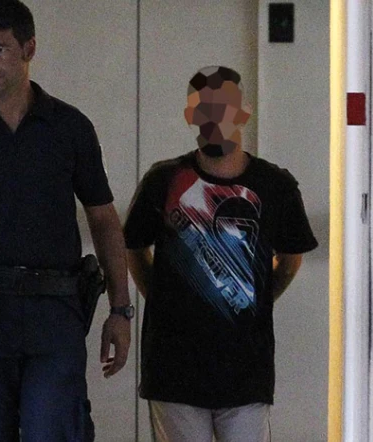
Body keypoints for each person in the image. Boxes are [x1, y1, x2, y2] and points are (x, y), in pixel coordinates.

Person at [0, 1, 132, 440]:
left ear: (29, 49)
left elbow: (103, 220)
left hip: (53, 311)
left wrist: (120, 309)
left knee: (55, 429)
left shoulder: (69, 128)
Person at [123, 66, 318, 442]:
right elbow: (133, 247)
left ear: (243, 112)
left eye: (223, 106)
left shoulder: (275, 186)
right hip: (174, 372)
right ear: (190, 115)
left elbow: (290, 258)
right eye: (204, 108)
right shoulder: (163, 181)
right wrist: (163, 298)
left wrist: (254, 300)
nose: (214, 117)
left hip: (246, 373)